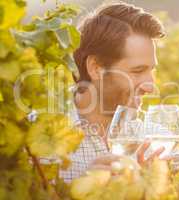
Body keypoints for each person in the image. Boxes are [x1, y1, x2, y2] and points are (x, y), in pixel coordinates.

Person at [60, 2, 165, 182]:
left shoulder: (157, 141)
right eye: (138, 71)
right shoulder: (33, 143)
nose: (151, 86)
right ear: (96, 67)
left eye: (152, 70)